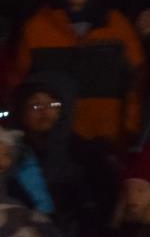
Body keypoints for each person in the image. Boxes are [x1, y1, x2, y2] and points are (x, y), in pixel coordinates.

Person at [10, 0, 145, 148]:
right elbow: (18, 83)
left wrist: (130, 128)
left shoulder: (117, 26)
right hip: (53, 141)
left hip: (106, 138)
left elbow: (137, 80)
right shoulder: (36, 28)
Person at [10, 73, 114, 236]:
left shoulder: (83, 152)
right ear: (21, 112)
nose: (45, 111)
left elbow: (101, 204)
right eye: (35, 106)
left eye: (53, 104)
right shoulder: (12, 154)